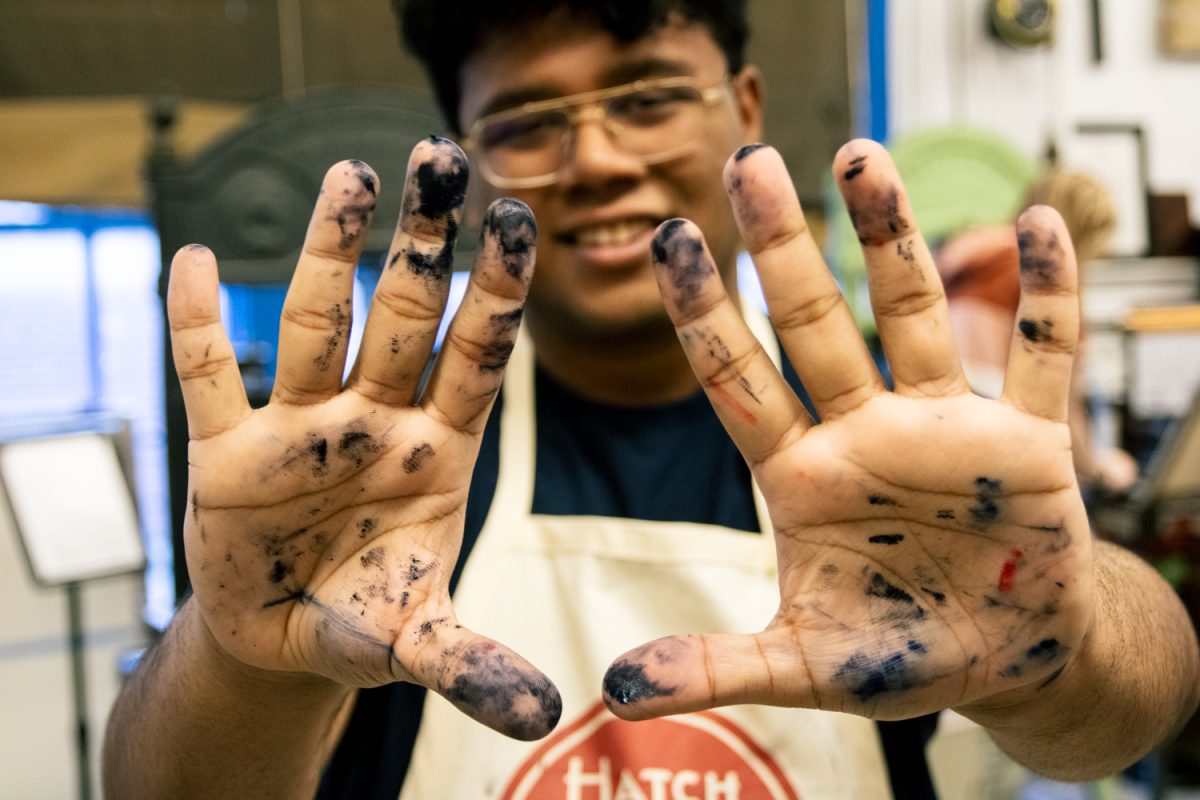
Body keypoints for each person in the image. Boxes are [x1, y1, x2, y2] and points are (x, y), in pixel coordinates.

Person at [102, 2, 1200, 798]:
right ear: (472, 160)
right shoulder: (380, 471)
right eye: (528, 120)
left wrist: (1067, 645)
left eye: (648, 96)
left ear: (748, 106)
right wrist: (242, 653)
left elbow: (1137, 698)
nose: (596, 159)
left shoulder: (892, 439)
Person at [936, 167, 1139, 496]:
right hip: (1012, 460)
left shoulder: (971, 257)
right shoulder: (1046, 279)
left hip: (949, 449)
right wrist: (1099, 470)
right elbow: (1063, 404)